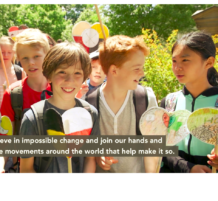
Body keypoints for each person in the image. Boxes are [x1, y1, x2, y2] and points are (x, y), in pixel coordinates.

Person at [19, 42, 100, 173]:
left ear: (85, 77)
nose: (69, 80)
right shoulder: (33, 118)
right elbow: (26, 169)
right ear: (49, 76)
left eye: (77, 73)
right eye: (62, 72)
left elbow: (90, 159)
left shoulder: (90, 114)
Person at [86, 35, 158, 173]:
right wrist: (96, 156)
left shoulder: (146, 98)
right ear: (114, 71)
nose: (142, 73)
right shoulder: (89, 101)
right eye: (136, 68)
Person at [0, 29, 52, 173]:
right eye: (25, 58)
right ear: (18, 59)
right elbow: (5, 137)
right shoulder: (12, 95)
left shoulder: (61, 89)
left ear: (47, 56)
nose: (31, 62)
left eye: (37, 56)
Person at [160, 31, 218, 173]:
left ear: (209, 62)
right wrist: (188, 168)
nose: (177, 67)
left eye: (185, 60)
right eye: (174, 61)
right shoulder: (169, 102)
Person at [0, 36, 26, 171]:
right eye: (2, 52)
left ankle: (15, 165)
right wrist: (0, 110)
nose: (6, 55)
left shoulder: (20, 72)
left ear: (14, 52)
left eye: (9, 52)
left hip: (16, 115)